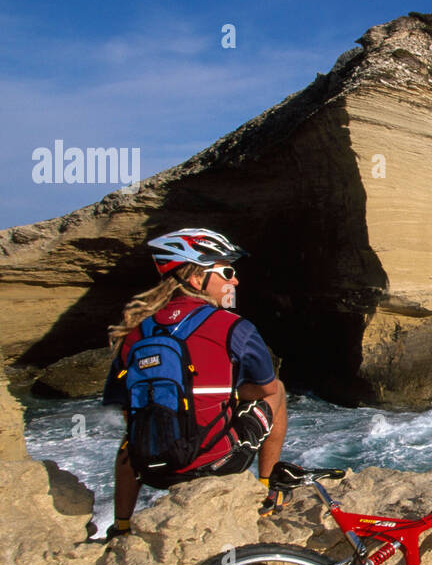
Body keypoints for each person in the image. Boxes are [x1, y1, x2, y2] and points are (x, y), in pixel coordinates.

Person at [87, 228, 290, 542]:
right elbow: (263, 389)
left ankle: (122, 527)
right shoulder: (234, 327)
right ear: (196, 279)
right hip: (215, 463)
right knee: (277, 388)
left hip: (154, 469)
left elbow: (127, 406)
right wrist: (232, 396)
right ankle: (265, 490)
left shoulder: (135, 331)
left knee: (135, 428)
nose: (234, 281)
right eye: (227, 272)